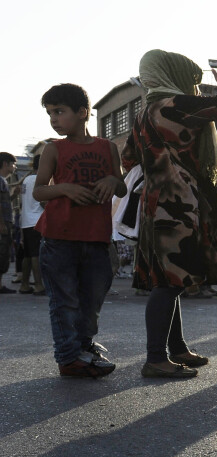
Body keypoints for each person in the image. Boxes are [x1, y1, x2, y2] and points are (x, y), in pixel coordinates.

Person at [122, 50, 217, 379]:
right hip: (181, 206)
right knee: (169, 283)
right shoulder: (176, 105)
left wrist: (159, 170)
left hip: (158, 204)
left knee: (172, 279)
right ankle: (156, 358)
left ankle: (177, 348)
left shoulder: (145, 113)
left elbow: (128, 157)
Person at [33, 83, 126, 377]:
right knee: (64, 301)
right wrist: (65, 188)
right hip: (59, 237)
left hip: (97, 237)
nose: (53, 119)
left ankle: (83, 346)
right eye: (50, 113)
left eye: (59, 111)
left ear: (82, 113)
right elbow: (38, 192)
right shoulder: (53, 149)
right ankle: (68, 357)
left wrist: (113, 181)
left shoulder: (107, 147)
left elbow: (121, 186)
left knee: (92, 300)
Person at [17, 154, 45, 294]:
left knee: (27, 255)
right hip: (37, 221)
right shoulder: (40, 180)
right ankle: (39, 285)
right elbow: (43, 201)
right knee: (36, 255)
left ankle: (25, 285)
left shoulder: (26, 180)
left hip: (26, 221)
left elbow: (22, 203)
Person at [0, 152, 18, 294]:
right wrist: (2, 224)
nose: (15, 167)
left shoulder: (3, 181)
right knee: (2, 253)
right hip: (3, 224)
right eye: (13, 164)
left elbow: (5, 203)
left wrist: (14, 195)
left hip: (5, 222)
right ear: (5, 164)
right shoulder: (0, 180)